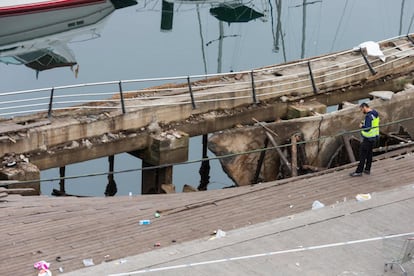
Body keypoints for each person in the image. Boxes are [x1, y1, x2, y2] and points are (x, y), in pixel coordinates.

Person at [350, 102, 380, 177]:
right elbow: (373, 124)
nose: (361, 111)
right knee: (369, 154)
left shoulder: (368, 116)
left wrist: (362, 126)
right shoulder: (375, 113)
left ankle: (359, 171)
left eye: (361, 109)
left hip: (368, 138)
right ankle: (367, 169)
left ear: (364, 107)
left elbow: (367, 128)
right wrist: (365, 123)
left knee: (362, 155)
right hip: (374, 137)